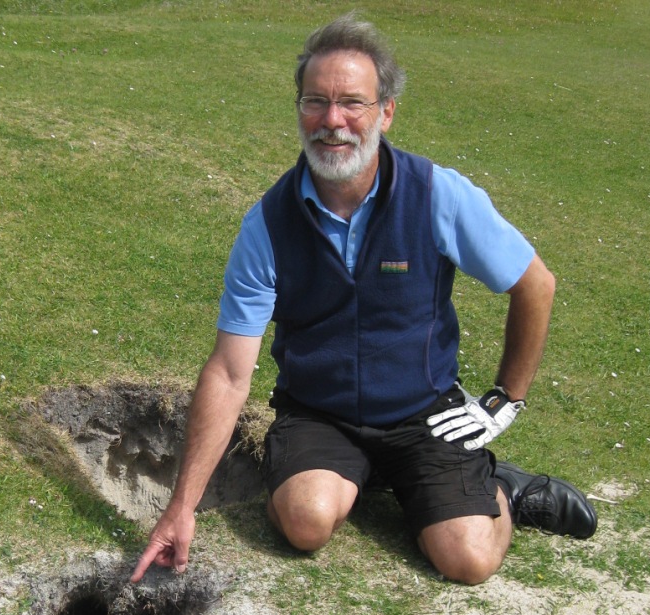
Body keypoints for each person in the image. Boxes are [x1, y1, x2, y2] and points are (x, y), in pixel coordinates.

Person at [131, 12, 596, 586]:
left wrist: (505, 400)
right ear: (298, 110)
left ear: (386, 111)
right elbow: (230, 373)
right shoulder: (267, 225)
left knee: (469, 560)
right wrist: (181, 509)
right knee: (306, 522)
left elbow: (535, 284)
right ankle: (367, 475)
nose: (332, 122)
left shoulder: (437, 195)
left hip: (424, 411)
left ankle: (505, 488)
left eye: (352, 102)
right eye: (315, 102)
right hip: (318, 413)